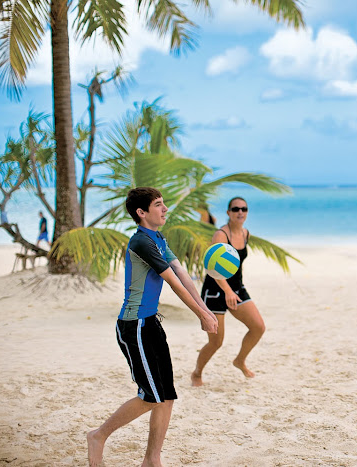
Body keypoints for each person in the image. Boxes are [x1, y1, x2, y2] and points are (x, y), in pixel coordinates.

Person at [87, 187, 218, 467]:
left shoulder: (158, 239)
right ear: (141, 212)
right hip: (134, 327)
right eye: (159, 204)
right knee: (151, 396)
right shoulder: (141, 243)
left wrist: (205, 309)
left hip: (151, 325)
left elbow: (183, 274)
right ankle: (99, 436)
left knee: (166, 395)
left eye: (163, 203)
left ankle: (152, 460)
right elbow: (172, 282)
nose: (165, 208)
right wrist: (201, 315)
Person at [192, 196, 265, 384]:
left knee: (258, 327)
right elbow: (211, 267)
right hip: (215, 289)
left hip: (237, 288)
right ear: (228, 213)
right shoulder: (221, 235)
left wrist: (232, 290)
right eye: (235, 209)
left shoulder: (246, 233)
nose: (240, 212)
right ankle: (197, 373)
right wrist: (226, 290)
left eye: (243, 208)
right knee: (216, 342)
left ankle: (239, 361)